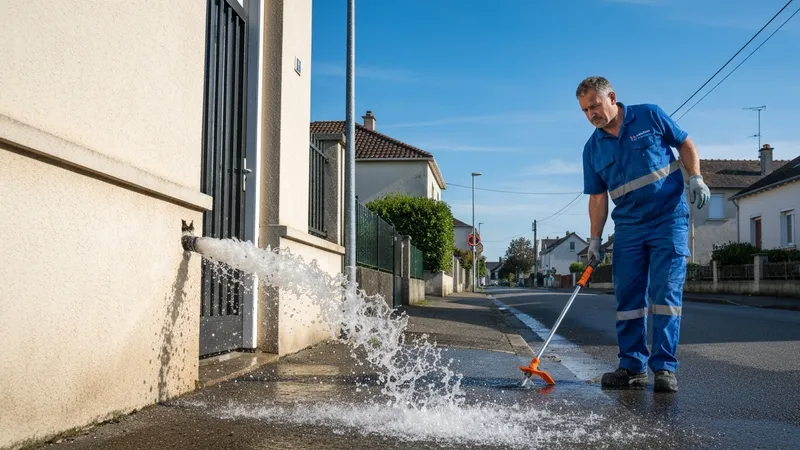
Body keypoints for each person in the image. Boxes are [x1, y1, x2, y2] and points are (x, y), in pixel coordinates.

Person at [576, 76, 710, 393]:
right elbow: (597, 198)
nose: (591, 114)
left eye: (595, 105)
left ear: (612, 97)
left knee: (664, 295)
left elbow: (685, 143)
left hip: (669, 218)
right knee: (629, 299)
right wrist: (595, 239)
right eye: (584, 110)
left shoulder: (649, 115)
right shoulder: (592, 149)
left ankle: (664, 368)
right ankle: (632, 367)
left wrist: (696, 178)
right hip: (629, 227)